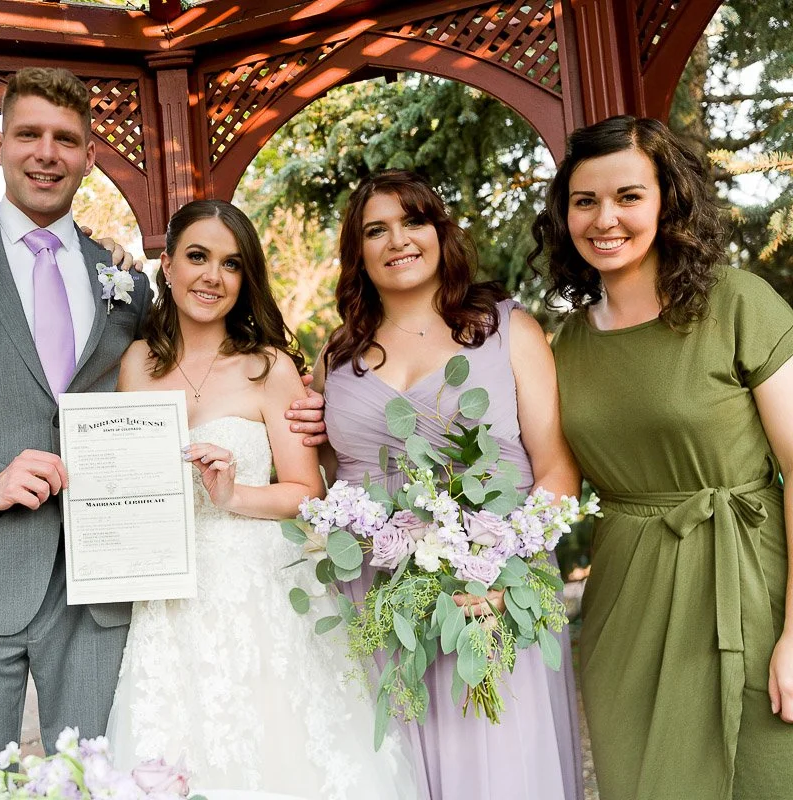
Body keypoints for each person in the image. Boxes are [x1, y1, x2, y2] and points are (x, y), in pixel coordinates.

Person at [0, 68, 326, 800]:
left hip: (104, 584)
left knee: (97, 785)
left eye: (67, 140)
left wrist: (312, 412)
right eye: (29, 135)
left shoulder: (127, 285)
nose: (47, 153)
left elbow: (193, 380)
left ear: (89, 157)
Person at [106, 199, 419, 799]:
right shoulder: (135, 365)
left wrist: (233, 492)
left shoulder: (267, 367)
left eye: (231, 264)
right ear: (166, 265)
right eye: (197, 257)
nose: (211, 277)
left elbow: (307, 493)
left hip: (257, 584)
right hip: (167, 593)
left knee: (278, 753)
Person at [535, 115, 793, 800]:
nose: (604, 219)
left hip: (748, 587)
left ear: (668, 201)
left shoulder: (737, 303)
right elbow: (546, 475)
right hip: (626, 607)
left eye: (628, 196)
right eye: (584, 201)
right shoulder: (566, 345)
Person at [316, 170, 585, 799]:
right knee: (397, 764)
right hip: (380, 598)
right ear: (358, 252)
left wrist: (493, 572)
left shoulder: (506, 330)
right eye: (374, 230)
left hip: (496, 592)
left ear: (440, 232)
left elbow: (557, 472)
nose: (397, 241)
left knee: (499, 763)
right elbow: (332, 478)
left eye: (412, 221)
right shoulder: (339, 356)